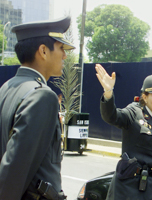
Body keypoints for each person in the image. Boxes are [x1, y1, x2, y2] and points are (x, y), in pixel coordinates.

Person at [0, 16, 75, 199]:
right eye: (61, 48)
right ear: (43, 51)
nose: (65, 55)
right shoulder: (42, 96)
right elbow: (14, 171)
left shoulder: (7, 88)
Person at [96, 64, 152, 200]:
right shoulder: (134, 113)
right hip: (126, 191)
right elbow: (112, 116)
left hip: (151, 191)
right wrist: (108, 92)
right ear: (145, 97)